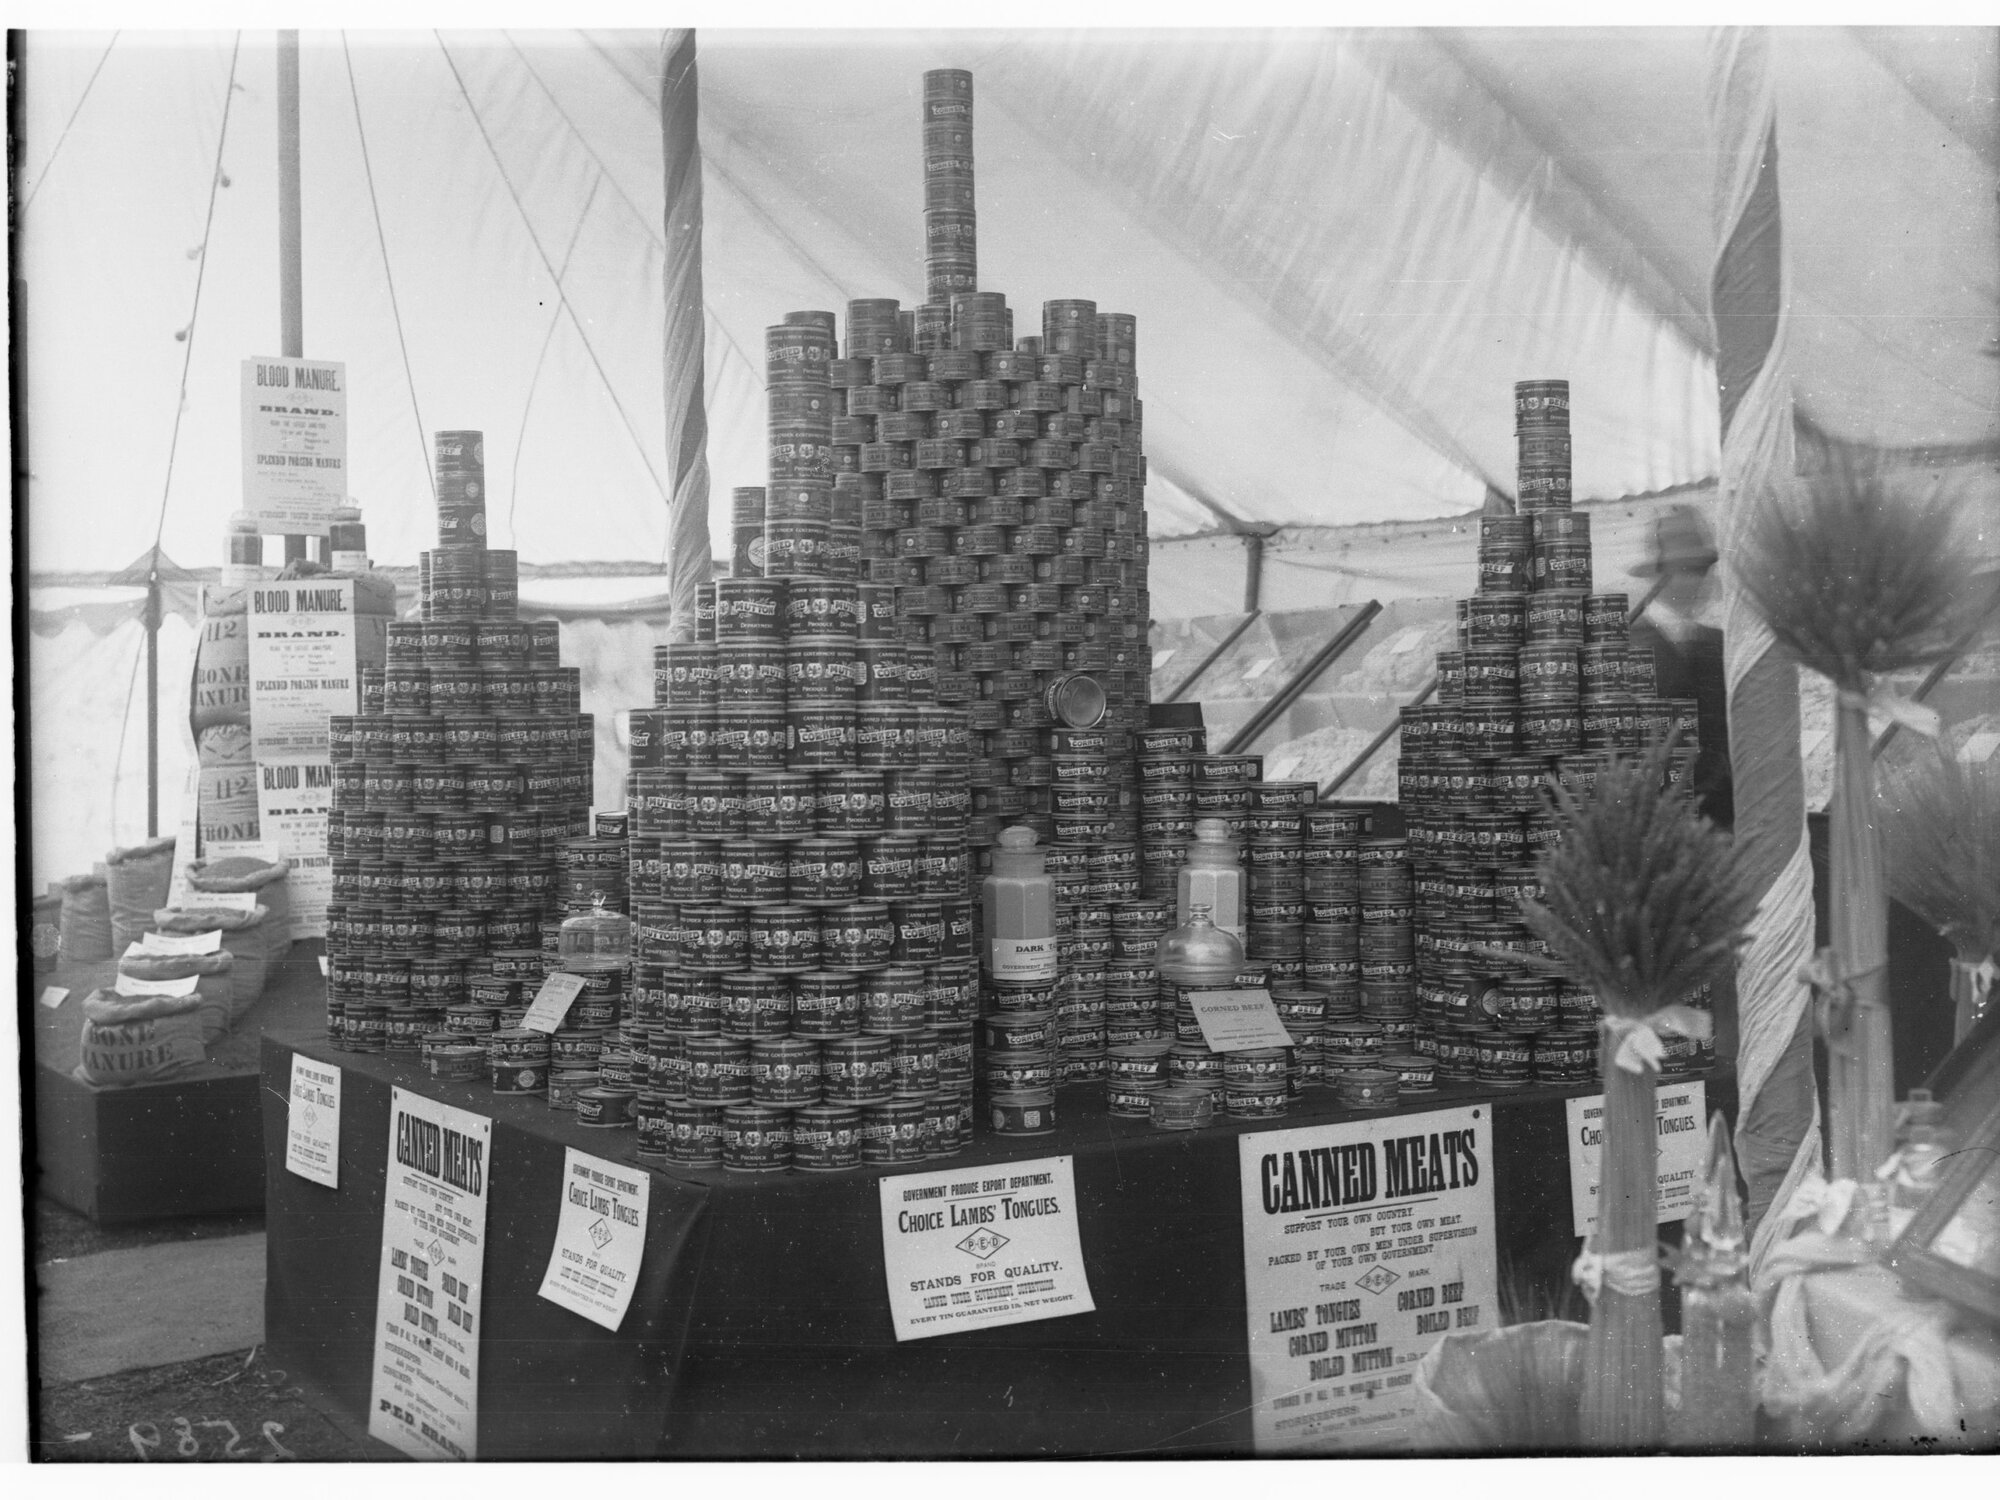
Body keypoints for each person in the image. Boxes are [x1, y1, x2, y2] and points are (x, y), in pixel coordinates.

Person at [1626, 504, 1732, 829]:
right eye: (1688, 570)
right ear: (1659, 576)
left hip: (1720, 825)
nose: (1700, 580)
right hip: (1655, 829)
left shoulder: (1719, 645)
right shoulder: (1627, 647)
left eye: (1703, 569)